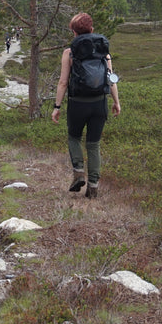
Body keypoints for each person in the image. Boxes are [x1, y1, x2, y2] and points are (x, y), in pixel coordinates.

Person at [51, 12, 121, 197]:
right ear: (92, 29)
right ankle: (93, 187)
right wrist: (116, 102)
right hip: (99, 104)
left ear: (74, 32)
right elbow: (111, 80)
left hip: (77, 104)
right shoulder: (104, 53)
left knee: (74, 138)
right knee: (93, 145)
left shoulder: (69, 53)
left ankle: (79, 172)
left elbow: (63, 83)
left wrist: (57, 107)